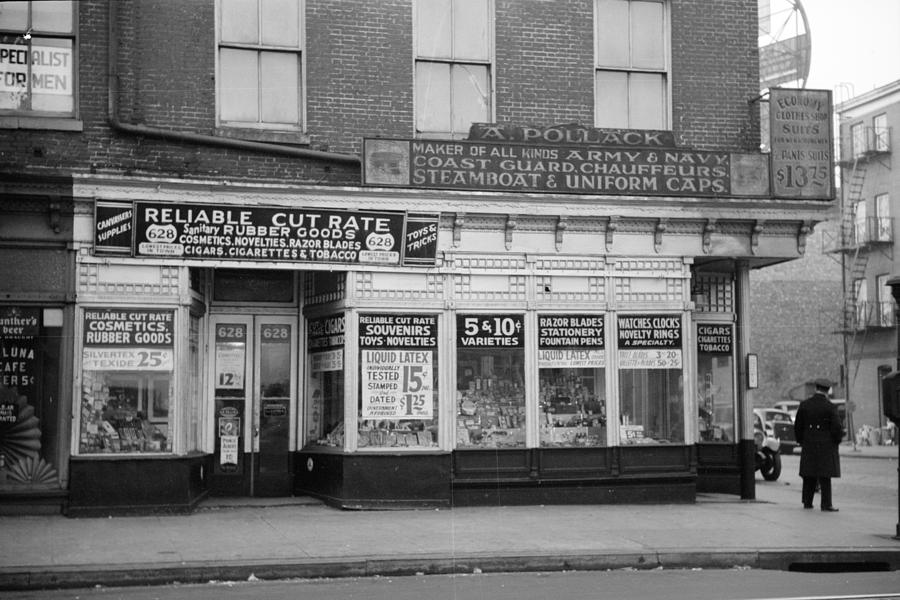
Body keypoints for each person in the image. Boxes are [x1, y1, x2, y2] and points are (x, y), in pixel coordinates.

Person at [793, 378, 844, 511]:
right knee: (825, 476)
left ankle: (807, 502)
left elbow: (798, 426)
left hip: (809, 443)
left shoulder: (804, 405)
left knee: (809, 473)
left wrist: (801, 441)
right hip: (826, 445)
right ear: (827, 391)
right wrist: (836, 441)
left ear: (816, 388)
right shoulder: (830, 407)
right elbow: (837, 428)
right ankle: (826, 504)